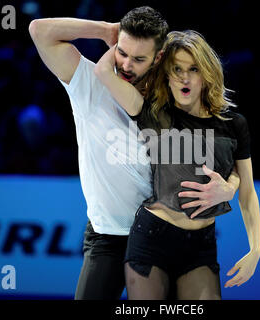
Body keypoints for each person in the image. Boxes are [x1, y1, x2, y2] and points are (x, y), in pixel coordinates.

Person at [29, 7, 240, 300]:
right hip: (108, 237)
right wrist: (105, 30)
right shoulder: (88, 82)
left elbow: (227, 153)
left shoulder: (177, 98)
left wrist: (228, 188)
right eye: (122, 53)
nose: (126, 64)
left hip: (166, 234)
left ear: (159, 57)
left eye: (139, 58)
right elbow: (40, 31)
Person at [94, 30, 260, 299]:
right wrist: (119, 35)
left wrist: (255, 249)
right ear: (166, 74)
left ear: (206, 73)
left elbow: (248, 191)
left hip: (201, 244)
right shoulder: (151, 113)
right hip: (151, 237)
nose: (184, 77)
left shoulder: (233, 124)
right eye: (177, 69)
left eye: (193, 69)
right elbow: (103, 71)